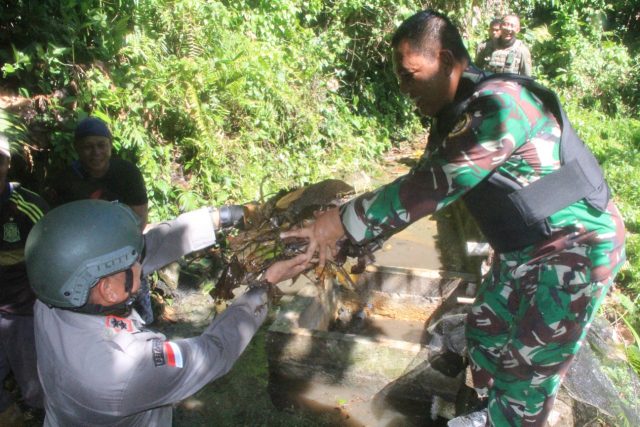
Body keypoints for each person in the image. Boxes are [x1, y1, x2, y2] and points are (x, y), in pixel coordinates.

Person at [282, 9, 626, 426]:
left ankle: (505, 418)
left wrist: (339, 221)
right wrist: (346, 242)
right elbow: (415, 196)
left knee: (526, 381)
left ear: (445, 61)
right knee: (484, 327)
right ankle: (481, 401)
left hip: (575, 248)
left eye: (411, 74)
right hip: (524, 248)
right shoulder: (457, 115)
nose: (404, 88)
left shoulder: (502, 105)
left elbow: (433, 186)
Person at [24, 199, 307, 426]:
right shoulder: (123, 369)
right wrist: (263, 287)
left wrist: (223, 216)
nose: (142, 261)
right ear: (109, 290)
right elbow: (214, 351)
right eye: (134, 259)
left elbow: (155, 244)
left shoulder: (56, 296)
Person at [0, 134, 48, 425]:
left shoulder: (27, 204)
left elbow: (53, 248)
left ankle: (38, 413)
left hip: (22, 309)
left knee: (32, 376)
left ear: (6, 163)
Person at [48, 116, 149, 228]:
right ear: (77, 148)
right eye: (88, 147)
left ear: (110, 145)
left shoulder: (128, 173)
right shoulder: (66, 180)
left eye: (101, 145)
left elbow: (140, 218)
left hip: (122, 236)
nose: (96, 152)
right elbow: (58, 224)